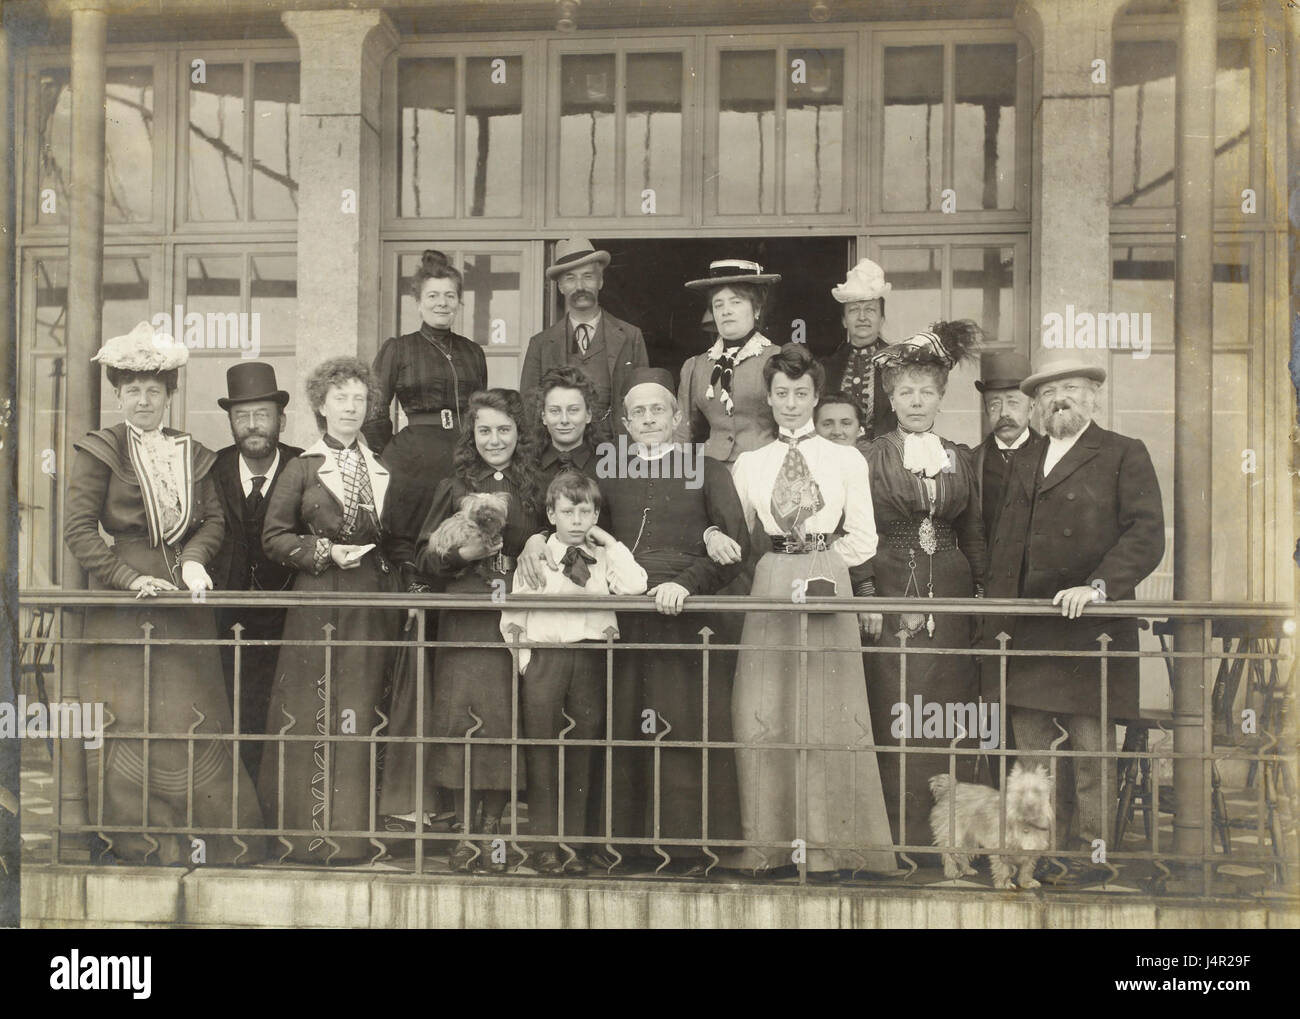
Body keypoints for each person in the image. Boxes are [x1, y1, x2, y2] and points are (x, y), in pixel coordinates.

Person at [518, 367, 749, 875]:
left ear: (676, 418)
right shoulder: (607, 472)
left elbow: (736, 549)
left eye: (658, 410)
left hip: (684, 614)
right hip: (623, 615)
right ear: (625, 421)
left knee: (681, 729)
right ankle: (621, 847)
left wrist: (686, 583)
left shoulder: (707, 469)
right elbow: (568, 519)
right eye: (638, 412)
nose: (648, 419)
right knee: (620, 730)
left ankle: (690, 850)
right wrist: (537, 538)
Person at [64, 321, 266, 864]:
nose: (144, 400)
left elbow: (214, 519)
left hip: (184, 604)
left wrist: (197, 563)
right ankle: (135, 841)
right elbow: (79, 530)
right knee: (129, 721)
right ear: (117, 395)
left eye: (155, 391)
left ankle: (210, 841)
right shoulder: (100, 449)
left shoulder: (190, 451)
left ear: (170, 395)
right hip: (123, 604)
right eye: (133, 391)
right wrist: (129, 579)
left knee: (190, 717)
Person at [982, 358, 1164, 868]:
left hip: (1091, 629)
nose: (1058, 399)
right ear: (1037, 406)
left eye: (1070, 389)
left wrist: (1099, 586)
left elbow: (1146, 534)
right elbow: (1006, 542)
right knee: (1032, 756)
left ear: (1092, 398)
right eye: (1048, 393)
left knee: (1091, 755)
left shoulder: (1124, 452)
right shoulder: (1025, 458)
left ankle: (1092, 854)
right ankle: (1036, 853)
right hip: (1030, 628)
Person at [729, 343, 896, 877]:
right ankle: (770, 844)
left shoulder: (846, 458)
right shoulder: (751, 464)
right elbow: (740, 534)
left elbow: (865, 537)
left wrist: (824, 566)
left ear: (815, 396)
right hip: (771, 581)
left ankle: (830, 847)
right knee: (766, 707)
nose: (792, 403)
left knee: (827, 709)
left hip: (829, 581)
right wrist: (781, 568)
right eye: (782, 393)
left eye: (802, 393)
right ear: (770, 398)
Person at [259, 356, 401, 864]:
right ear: (321, 405)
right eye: (340, 398)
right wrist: (323, 553)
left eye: (359, 399)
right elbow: (273, 536)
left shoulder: (382, 463)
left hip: (371, 600)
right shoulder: (302, 466)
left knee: (363, 708)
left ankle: (357, 836)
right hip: (318, 598)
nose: (350, 407)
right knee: (313, 710)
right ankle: (307, 836)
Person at [863, 322, 988, 856]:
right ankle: (900, 836)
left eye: (927, 392)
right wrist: (865, 588)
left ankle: (951, 839)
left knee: (950, 707)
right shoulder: (871, 455)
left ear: (941, 398)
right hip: (893, 582)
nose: (916, 401)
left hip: (953, 589)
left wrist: (981, 591)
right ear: (891, 398)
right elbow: (859, 528)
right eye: (906, 392)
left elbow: (975, 528)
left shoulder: (960, 455)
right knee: (897, 705)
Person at [414, 388, 545, 873]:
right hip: (464, 615)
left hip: (515, 615)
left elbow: (557, 539)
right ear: (473, 434)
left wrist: (535, 541)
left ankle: (494, 831)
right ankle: (466, 832)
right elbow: (423, 557)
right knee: (462, 720)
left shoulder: (535, 485)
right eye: (485, 430)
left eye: (504, 430)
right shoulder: (452, 485)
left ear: (519, 434)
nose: (494, 440)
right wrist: (459, 556)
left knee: (504, 724)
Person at [499, 470, 647, 876]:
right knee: (543, 751)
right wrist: (527, 662)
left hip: (590, 658)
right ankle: (546, 846)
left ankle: (575, 847)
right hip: (546, 658)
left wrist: (611, 543)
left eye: (586, 511)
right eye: (568, 511)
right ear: (552, 513)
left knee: (583, 749)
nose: (578, 520)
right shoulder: (537, 557)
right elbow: (513, 614)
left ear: (596, 514)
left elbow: (635, 586)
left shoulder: (604, 557)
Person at [364, 249, 488, 591]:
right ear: (417, 302)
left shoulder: (472, 352)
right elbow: (374, 410)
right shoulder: (399, 348)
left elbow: (482, 411)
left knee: (452, 542)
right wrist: (393, 453)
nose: (442, 303)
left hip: (461, 457)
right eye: (433, 296)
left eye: (450, 296)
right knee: (411, 547)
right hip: (412, 462)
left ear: (459, 302)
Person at [209, 362, 303, 780]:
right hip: (225, 615)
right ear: (231, 423)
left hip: (287, 614)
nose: (253, 426)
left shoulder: (305, 466)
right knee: (228, 709)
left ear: (280, 419)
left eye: (261, 415)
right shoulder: (212, 468)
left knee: (282, 711)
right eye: (241, 417)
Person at [520, 237, 649, 447]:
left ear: (600, 281)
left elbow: (643, 401)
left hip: (615, 451)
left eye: (588, 276)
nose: (580, 286)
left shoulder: (631, 336)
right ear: (560, 286)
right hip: (559, 452)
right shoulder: (541, 344)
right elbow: (529, 410)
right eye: (570, 279)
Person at [676, 259, 780, 467]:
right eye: (718, 304)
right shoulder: (696, 366)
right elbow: (682, 431)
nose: (726, 311)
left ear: (756, 308)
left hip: (765, 466)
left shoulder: (777, 359)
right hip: (711, 471)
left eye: (736, 302)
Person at [820, 258, 897, 449]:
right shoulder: (826, 367)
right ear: (844, 320)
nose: (862, 317)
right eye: (854, 310)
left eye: (870, 310)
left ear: (882, 319)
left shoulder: (898, 363)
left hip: (885, 458)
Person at [973, 352, 1037, 545]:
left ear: (1032, 407)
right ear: (986, 411)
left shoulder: (1051, 457)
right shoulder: (972, 462)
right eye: (994, 404)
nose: (1004, 413)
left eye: (1013, 402)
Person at [536, 365, 600, 490]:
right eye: (555, 411)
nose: (564, 420)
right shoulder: (528, 466)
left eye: (573, 410)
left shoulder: (608, 466)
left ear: (588, 415)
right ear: (543, 417)